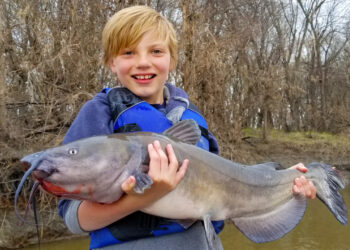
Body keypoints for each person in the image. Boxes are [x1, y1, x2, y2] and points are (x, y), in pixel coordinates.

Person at [58, 5, 316, 250]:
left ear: (172, 60)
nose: (143, 62)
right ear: (111, 63)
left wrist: (282, 180)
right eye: (128, 53)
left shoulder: (191, 117)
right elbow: (73, 218)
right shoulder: (99, 113)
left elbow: (232, 183)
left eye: (156, 51)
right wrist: (140, 199)